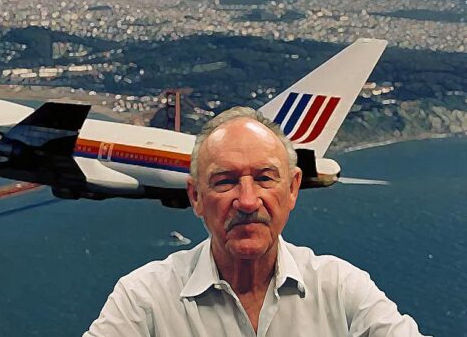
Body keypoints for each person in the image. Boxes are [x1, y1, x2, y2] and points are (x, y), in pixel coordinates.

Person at [84, 107, 427, 336]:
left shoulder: (341, 290)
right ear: (196, 197)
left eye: (265, 179)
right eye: (224, 181)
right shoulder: (144, 300)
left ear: (293, 189)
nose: (247, 201)